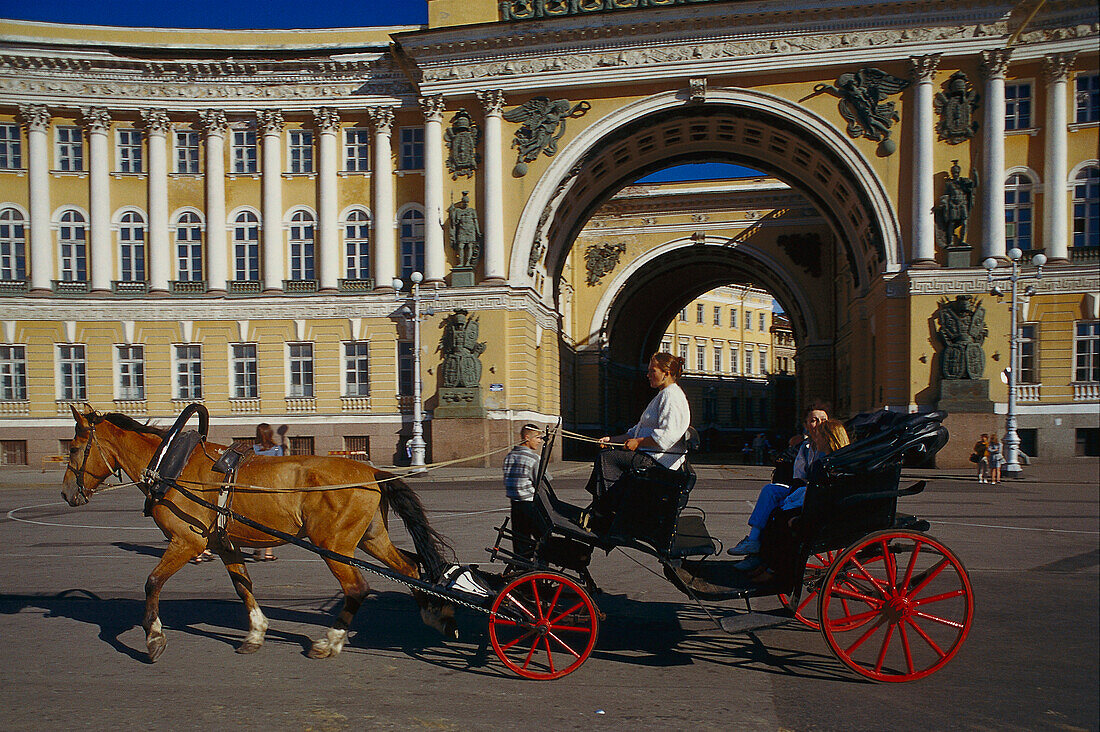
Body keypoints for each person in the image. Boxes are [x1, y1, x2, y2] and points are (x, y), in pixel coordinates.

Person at [584, 352, 691, 531]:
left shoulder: (671, 396)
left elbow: (668, 436)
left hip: (658, 462)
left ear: (666, 373)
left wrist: (638, 443)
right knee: (608, 453)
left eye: (652, 371)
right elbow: (636, 431)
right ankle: (605, 506)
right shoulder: (663, 395)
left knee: (607, 458)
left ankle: (610, 512)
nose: (648, 374)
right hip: (653, 456)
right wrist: (613, 440)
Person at [736, 419, 851, 579]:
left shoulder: (831, 463)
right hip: (816, 502)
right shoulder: (830, 459)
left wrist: (801, 515)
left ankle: (774, 569)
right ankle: (766, 562)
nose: (816, 439)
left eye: (819, 436)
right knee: (775, 513)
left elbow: (826, 493)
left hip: (821, 508)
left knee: (782, 520)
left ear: (828, 438)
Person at [727, 406, 829, 557]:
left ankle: (766, 553)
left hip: (817, 492)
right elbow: (799, 476)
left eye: (823, 420)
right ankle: (753, 540)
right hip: (804, 488)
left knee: (780, 509)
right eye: (814, 420)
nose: (819, 423)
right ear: (806, 425)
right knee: (770, 490)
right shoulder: (805, 447)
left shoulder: (829, 445)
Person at [502, 423, 546, 559]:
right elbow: (542, 483)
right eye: (538, 437)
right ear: (527, 438)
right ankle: (540, 572)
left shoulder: (509, 456)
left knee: (520, 544)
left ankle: (523, 574)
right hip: (530, 506)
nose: (539, 441)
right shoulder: (533, 458)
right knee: (544, 540)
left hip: (515, 505)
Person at [250, 423, 287, 561]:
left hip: (255, 488)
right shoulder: (277, 449)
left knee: (256, 519)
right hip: (271, 488)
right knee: (269, 521)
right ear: (270, 434)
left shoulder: (253, 449)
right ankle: (268, 552)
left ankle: (257, 547)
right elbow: (281, 468)